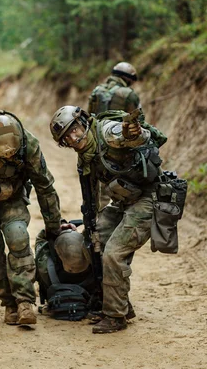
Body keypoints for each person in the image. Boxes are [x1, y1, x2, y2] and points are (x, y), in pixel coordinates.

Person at [49, 105, 164, 334]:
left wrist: (132, 132)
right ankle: (119, 304)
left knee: (113, 252)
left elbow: (133, 137)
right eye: (66, 138)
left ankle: (115, 316)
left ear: (83, 122)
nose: (73, 138)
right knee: (93, 242)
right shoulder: (86, 157)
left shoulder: (106, 132)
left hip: (149, 198)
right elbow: (92, 196)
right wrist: (89, 225)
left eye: (75, 130)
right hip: (124, 201)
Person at [0, 111, 64, 326]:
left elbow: (45, 186)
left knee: (18, 236)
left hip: (12, 195)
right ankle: (9, 303)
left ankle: (24, 301)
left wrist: (53, 226)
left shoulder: (27, 145)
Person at [88, 62, 141, 209]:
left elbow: (89, 119)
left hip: (95, 143)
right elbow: (137, 124)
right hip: (118, 146)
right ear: (128, 79)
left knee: (95, 188)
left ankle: (96, 221)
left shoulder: (96, 91)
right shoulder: (129, 95)